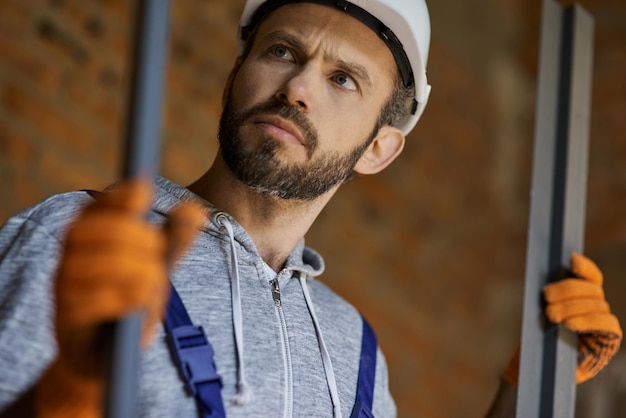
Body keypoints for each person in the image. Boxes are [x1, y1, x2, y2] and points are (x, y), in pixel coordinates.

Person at [0, 0, 621, 417]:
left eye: (342, 78)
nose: (297, 87)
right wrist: (69, 390)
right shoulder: (80, 240)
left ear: (378, 149)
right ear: (233, 78)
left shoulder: (354, 350)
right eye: (280, 52)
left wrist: (527, 389)